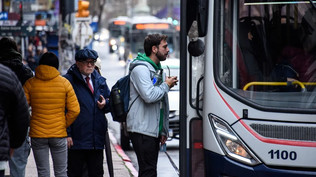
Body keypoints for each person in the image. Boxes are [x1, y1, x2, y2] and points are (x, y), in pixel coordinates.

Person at [126, 33, 178, 177]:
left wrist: (163, 130)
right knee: (148, 171)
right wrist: (166, 85)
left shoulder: (155, 68)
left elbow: (162, 104)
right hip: (142, 130)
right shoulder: (141, 69)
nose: (168, 50)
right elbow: (149, 96)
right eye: (165, 47)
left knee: (148, 170)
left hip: (151, 130)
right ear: (154, 49)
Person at [23, 52, 80, 177]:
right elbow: (75, 110)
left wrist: (31, 122)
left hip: (38, 134)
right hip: (58, 134)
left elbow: (21, 109)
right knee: (61, 172)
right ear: (56, 66)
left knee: (43, 172)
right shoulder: (64, 83)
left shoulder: (30, 83)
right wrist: (63, 124)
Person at [63, 48, 111, 177]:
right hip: (77, 140)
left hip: (96, 140)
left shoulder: (99, 80)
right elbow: (63, 109)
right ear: (78, 63)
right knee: (75, 173)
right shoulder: (67, 81)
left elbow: (109, 100)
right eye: (86, 62)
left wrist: (105, 103)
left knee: (96, 173)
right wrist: (67, 134)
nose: (90, 65)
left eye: (92, 62)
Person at [0, 37, 33, 177]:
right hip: (16, 127)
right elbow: (23, 110)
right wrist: (17, 142)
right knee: (18, 167)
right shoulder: (24, 71)